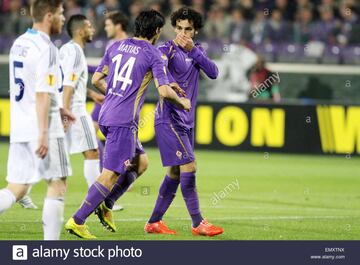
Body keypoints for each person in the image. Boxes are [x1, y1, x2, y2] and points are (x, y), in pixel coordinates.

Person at [65, 9, 191, 239]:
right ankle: (78, 219)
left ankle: (107, 204)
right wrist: (182, 101)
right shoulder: (152, 54)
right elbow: (163, 91)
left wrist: (114, 94)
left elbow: (96, 79)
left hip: (106, 114)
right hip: (122, 121)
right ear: (156, 31)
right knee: (110, 174)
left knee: (140, 163)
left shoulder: (116, 47)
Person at [144, 7, 224, 237]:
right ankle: (198, 222)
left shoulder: (197, 51)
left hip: (187, 122)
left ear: (195, 31)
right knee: (190, 166)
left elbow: (214, 72)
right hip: (168, 118)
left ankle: (154, 222)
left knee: (175, 173)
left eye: (188, 29)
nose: (182, 33)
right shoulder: (165, 50)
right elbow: (159, 71)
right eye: (178, 28)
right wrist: (171, 85)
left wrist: (194, 51)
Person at [0, 0, 75, 240]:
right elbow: (42, 92)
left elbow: (33, 87)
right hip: (43, 127)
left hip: (20, 126)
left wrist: (59, 107)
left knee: (18, 188)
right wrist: (43, 132)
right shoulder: (47, 48)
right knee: (57, 183)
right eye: (62, 14)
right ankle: (50, 249)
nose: (64, 19)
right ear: (50, 16)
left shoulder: (19, 43)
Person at [90, 11, 135, 212]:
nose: (106, 28)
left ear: (118, 25)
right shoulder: (113, 45)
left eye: (108, 24)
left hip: (116, 100)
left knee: (100, 138)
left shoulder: (128, 45)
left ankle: (110, 177)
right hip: (107, 96)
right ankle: (108, 176)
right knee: (92, 136)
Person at [60, 15, 104, 188]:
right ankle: (97, 201)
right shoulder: (77, 52)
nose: (92, 29)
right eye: (89, 26)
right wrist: (66, 113)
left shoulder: (65, 49)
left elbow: (69, 82)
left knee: (52, 153)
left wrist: (92, 95)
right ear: (80, 31)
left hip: (64, 107)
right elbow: (68, 85)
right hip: (74, 110)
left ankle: (21, 190)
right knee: (92, 152)